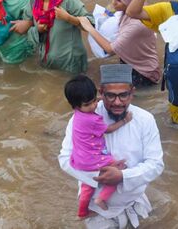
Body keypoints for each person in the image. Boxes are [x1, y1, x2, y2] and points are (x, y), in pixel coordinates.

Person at [58, 64, 164, 228]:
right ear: (101, 93)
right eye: (110, 96)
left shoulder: (145, 119)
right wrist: (100, 174)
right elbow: (65, 159)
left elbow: (155, 165)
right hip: (98, 212)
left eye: (123, 95)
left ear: (132, 92)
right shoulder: (81, 118)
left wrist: (122, 176)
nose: (117, 102)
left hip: (135, 203)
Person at [63, 74, 133, 217]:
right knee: (118, 172)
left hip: (80, 160)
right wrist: (125, 120)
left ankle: (82, 212)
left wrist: (101, 98)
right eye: (88, 104)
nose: (94, 105)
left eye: (95, 101)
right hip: (94, 159)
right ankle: (101, 198)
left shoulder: (77, 115)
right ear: (76, 106)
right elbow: (108, 129)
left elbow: (88, 102)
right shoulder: (92, 120)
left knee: (86, 187)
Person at [14, 0, 94, 73]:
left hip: (71, 63)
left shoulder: (67, 0)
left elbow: (91, 23)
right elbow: (28, 27)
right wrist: (38, 30)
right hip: (47, 62)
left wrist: (68, 18)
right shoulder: (34, 0)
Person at [78, 0, 161, 87]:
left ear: (130, 0)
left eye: (119, 0)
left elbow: (110, 49)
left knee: (103, 87)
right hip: (132, 62)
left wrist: (89, 28)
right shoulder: (132, 11)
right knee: (96, 75)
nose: (113, 3)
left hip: (144, 74)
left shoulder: (136, 24)